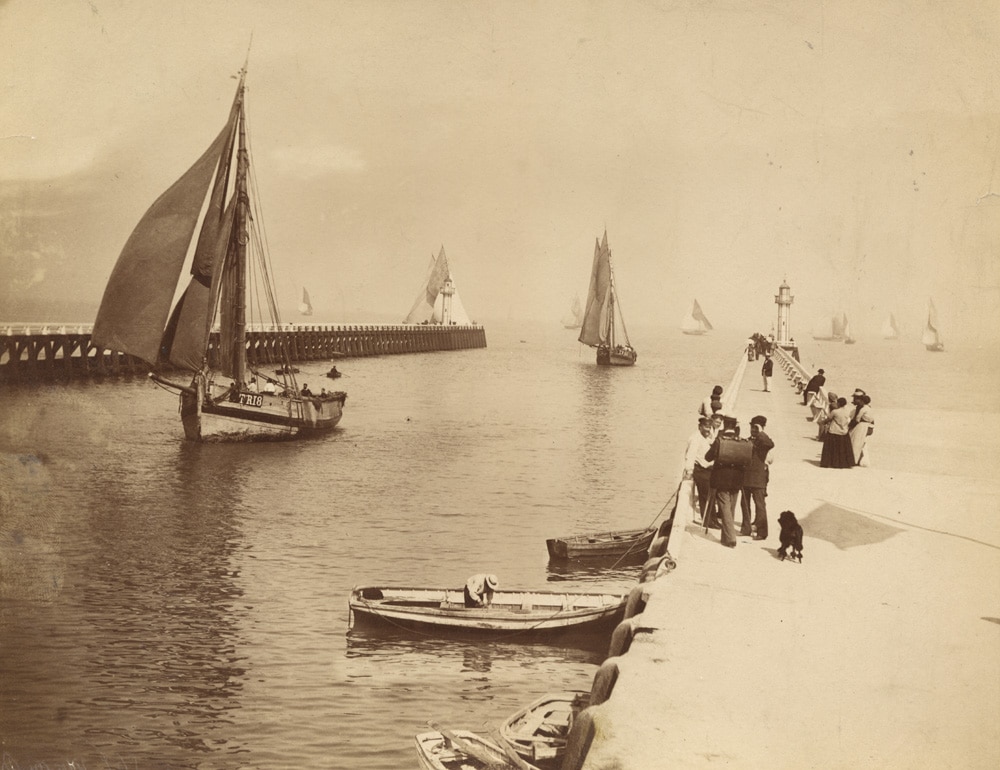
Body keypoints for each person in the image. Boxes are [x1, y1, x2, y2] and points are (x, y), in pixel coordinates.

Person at [704, 417, 744, 547]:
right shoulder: (741, 441)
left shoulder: (720, 441)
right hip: (737, 479)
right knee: (731, 508)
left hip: (721, 479)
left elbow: (707, 457)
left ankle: (730, 537)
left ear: (725, 425)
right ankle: (725, 537)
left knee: (725, 508)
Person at [740, 415, 775, 539]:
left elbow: (770, 444)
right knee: (744, 504)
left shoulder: (763, 441)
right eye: (751, 427)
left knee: (760, 505)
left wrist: (761, 432)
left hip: (759, 480)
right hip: (746, 478)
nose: (753, 430)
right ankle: (746, 528)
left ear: (762, 428)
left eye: (756, 428)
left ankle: (762, 532)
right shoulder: (747, 441)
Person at [683, 417, 715, 522]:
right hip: (700, 470)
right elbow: (690, 456)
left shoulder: (704, 438)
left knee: (709, 495)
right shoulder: (695, 439)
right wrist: (689, 471)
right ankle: (707, 521)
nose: (708, 429)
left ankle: (712, 520)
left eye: (710, 427)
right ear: (699, 427)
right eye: (706, 426)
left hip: (707, 471)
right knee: (705, 495)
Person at [819, 397, 854, 468]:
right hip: (844, 432)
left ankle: (830, 463)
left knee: (831, 448)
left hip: (834, 431)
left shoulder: (835, 411)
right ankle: (842, 463)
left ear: (839, 403)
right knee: (841, 449)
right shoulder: (847, 411)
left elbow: (828, 419)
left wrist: (821, 422)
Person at [849, 390, 875, 466]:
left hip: (860, 427)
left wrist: (849, 427)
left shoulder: (862, 408)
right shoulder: (867, 408)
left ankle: (854, 460)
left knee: (855, 443)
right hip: (865, 427)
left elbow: (857, 419)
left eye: (855, 399)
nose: (853, 400)